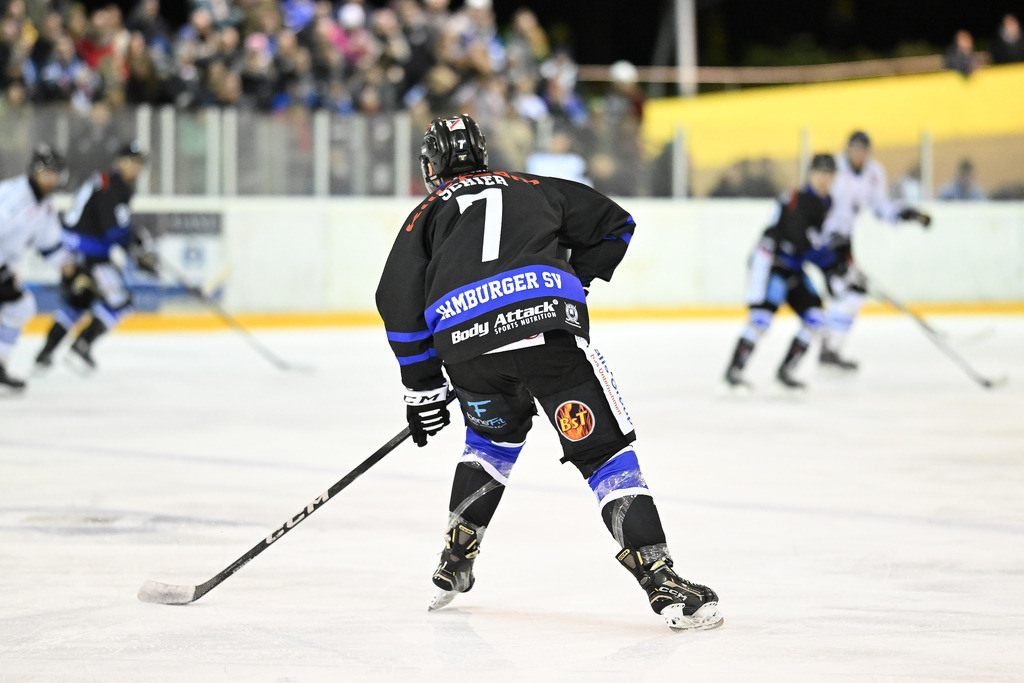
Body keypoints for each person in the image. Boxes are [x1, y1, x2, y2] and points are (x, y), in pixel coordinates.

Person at [375, 114, 722, 631]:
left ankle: (455, 559)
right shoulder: (535, 186)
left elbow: (396, 300)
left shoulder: (425, 212)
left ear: (435, 164)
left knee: (491, 443)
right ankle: (660, 579)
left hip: (469, 352)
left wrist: (422, 387)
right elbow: (617, 224)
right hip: (545, 338)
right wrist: (566, 280)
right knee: (604, 453)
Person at [34, 140, 155, 371]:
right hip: (87, 251)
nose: (136, 168)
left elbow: (116, 226)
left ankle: (45, 353)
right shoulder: (111, 185)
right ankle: (81, 346)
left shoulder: (109, 183)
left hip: (76, 248)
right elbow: (112, 231)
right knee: (120, 301)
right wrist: (137, 248)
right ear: (121, 161)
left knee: (79, 300)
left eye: (140, 163)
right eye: (132, 162)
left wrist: (136, 244)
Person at [817, 131, 931, 370]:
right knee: (847, 291)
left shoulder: (873, 173)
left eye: (863, 151)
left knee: (853, 293)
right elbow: (816, 200)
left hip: (845, 242)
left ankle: (830, 348)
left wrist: (906, 213)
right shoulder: (833, 168)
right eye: (854, 150)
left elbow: (880, 206)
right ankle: (827, 347)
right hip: (825, 241)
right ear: (847, 149)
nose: (858, 155)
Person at [723, 154, 837, 391]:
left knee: (815, 317)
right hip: (771, 263)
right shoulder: (795, 199)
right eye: (819, 173)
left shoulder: (827, 204)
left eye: (828, 174)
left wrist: (837, 265)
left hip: (793, 267)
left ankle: (786, 371)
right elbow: (802, 242)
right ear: (810, 174)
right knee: (761, 319)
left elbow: (814, 245)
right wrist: (832, 265)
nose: (823, 179)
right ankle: (734, 372)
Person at [0, 144, 70, 389]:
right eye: (47, 172)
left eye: (55, 173)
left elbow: (49, 244)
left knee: (21, 306)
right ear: (34, 171)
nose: (51, 178)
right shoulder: (12, 199)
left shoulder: (44, 205)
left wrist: (69, 268)